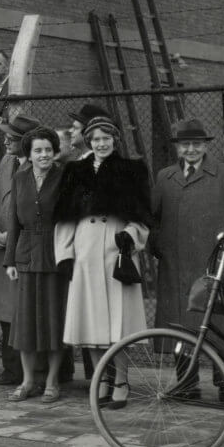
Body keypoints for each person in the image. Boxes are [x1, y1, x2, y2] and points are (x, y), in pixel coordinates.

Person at [54, 115, 152, 409]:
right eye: (95, 139)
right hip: (85, 247)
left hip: (116, 247)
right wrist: (65, 254)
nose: (101, 144)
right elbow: (65, 218)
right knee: (91, 321)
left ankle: (121, 380)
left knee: (117, 322)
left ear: (115, 140)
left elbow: (143, 216)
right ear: (88, 141)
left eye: (106, 138)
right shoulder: (75, 171)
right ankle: (101, 379)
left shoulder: (131, 170)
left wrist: (131, 237)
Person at [151, 118, 224, 397]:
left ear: (205, 145)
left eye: (196, 144)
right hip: (176, 266)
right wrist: (160, 246)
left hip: (214, 265)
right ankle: (186, 383)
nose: (191, 149)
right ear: (178, 148)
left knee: (219, 326)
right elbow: (153, 218)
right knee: (180, 325)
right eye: (185, 144)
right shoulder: (165, 177)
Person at [5, 127, 67, 403]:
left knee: (54, 321)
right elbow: (14, 221)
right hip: (26, 256)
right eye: (38, 150)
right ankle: (28, 380)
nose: (43, 155)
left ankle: (53, 382)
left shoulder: (65, 176)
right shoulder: (19, 178)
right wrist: (10, 260)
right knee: (26, 323)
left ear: (55, 152)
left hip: (56, 256)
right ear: (29, 154)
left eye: (48, 150)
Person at [0, 115, 41, 387]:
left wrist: (13, 235)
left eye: (13, 137)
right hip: (2, 249)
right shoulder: (7, 161)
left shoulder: (39, 164)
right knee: (7, 311)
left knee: (30, 310)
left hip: (27, 249)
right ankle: (11, 371)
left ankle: (35, 373)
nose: (6, 140)